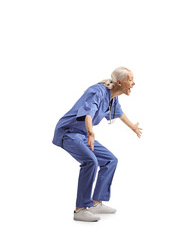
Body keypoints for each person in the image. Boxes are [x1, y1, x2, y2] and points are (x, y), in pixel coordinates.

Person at [52, 67, 142, 222]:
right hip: (68, 132)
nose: (133, 83)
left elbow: (119, 114)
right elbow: (88, 112)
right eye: (130, 79)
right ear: (119, 82)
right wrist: (91, 132)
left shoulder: (112, 98)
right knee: (90, 161)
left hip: (83, 134)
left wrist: (133, 126)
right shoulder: (97, 91)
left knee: (110, 160)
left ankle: (96, 202)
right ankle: (80, 209)